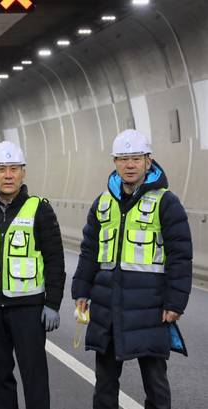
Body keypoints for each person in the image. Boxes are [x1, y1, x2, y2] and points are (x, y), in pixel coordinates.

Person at [72, 129, 192, 409]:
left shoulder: (166, 202)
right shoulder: (102, 203)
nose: (129, 165)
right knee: (104, 384)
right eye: (123, 159)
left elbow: (180, 256)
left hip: (149, 310)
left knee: (155, 384)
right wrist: (81, 290)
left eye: (136, 159)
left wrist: (175, 302)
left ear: (148, 162)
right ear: (114, 162)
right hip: (107, 309)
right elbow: (89, 251)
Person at [0, 141, 65, 409]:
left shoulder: (40, 209)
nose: (8, 175)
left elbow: (54, 260)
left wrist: (52, 304)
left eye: (14, 169)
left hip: (28, 307)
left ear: (23, 174)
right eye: (1, 169)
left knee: (34, 376)